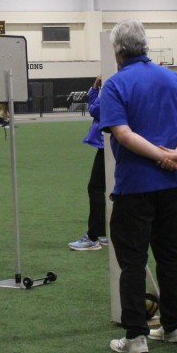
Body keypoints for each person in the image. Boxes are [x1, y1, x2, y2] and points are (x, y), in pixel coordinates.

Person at [100, 19, 177, 353]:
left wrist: (164, 156)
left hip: (135, 187)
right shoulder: (174, 78)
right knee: (171, 256)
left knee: (132, 262)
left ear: (117, 50)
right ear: (145, 45)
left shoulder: (116, 85)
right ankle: (174, 325)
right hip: (174, 185)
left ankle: (135, 336)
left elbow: (123, 134)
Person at [69, 75, 109, 250]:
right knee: (111, 188)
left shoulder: (113, 87)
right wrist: (95, 88)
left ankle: (94, 236)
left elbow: (94, 109)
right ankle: (107, 234)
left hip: (109, 146)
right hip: (117, 144)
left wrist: (96, 87)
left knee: (96, 188)